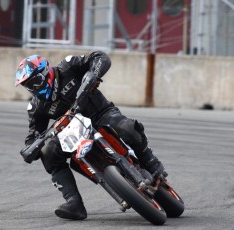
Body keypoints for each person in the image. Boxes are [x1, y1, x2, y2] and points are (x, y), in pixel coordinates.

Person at [15, 50, 165, 220]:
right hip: (73, 132)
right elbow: (33, 136)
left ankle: (151, 162)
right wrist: (31, 149)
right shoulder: (36, 107)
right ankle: (73, 203)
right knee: (48, 153)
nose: (33, 88)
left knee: (127, 127)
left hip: (101, 114)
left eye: (35, 81)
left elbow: (101, 57)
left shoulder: (67, 66)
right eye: (28, 86)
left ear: (45, 72)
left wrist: (93, 74)